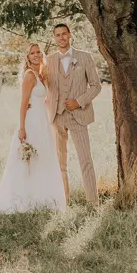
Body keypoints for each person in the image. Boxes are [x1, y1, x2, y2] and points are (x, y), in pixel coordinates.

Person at [0, 43, 66, 215]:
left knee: (42, 158)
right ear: (27, 57)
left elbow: (45, 100)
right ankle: (23, 198)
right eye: (32, 53)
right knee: (28, 159)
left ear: (42, 55)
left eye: (38, 52)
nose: (35, 55)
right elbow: (24, 103)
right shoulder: (30, 76)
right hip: (32, 122)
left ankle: (41, 197)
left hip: (43, 122)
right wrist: (22, 128)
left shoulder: (41, 75)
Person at [44, 23, 102, 206]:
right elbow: (44, 85)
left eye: (64, 34)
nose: (61, 38)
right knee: (60, 163)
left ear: (70, 35)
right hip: (57, 116)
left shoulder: (85, 57)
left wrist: (79, 101)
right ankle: (64, 201)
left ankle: (93, 202)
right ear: (54, 38)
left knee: (85, 160)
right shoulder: (50, 60)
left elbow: (96, 86)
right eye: (57, 35)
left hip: (79, 116)